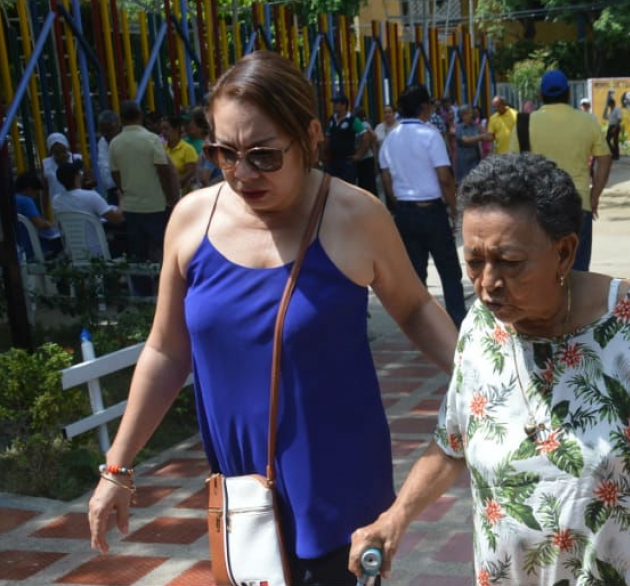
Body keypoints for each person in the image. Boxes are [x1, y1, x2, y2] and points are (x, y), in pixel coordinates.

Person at [86, 51, 459, 583]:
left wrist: (477, 376)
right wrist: (118, 469)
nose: (242, 174)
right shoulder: (192, 220)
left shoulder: (355, 216)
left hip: (340, 494)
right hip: (242, 494)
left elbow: (416, 307)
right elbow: (167, 350)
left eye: (263, 155)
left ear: (308, 136)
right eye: (224, 152)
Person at [350, 153, 630, 586]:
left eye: (509, 262)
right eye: (474, 261)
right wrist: (395, 517)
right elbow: (452, 445)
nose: (488, 283)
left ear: (565, 252)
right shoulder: (480, 328)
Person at [379, 83, 467, 328]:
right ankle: (457, 322)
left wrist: (398, 203)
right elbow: (445, 178)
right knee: (449, 269)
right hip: (432, 210)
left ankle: (421, 326)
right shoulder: (430, 135)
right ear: (424, 107)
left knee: (415, 273)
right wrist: (454, 209)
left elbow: (386, 178)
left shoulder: (390, 137)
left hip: (405, 212)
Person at [508, 69, 612, 272]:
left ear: (541, 95)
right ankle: (575, 304)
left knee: (541, 269)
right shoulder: (587, 121)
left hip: (539, 205)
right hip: (579, 202)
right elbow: (605, 160)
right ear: (568, 94)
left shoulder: (524, 123)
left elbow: (511, 164)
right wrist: (594, 195)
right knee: (578, 270)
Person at [109, 100, 177, 295]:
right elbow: (163, 169)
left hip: (131, 207)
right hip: (156, 205)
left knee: (137, 256)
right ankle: (168, 294)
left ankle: (142, 294)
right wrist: (171, 197)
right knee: (165, 253)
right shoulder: (151, 139)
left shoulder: (115, 143)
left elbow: (115, 174)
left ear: (121, 119)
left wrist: (127, 190)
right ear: (141, 116)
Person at [52, 161, 124, 257]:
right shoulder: (91, 196)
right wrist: (121, 200)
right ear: (78, 175)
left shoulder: (56, 200)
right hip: (97, 252)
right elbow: (117, 219)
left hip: (72, 253)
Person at [14, 169, 62, 260]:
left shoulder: (11, 199)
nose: (36, 196)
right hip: (32, 246)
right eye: (36, 192)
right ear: (29, 190)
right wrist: (50, 224)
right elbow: (40, 224)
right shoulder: (26, 201)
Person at [324, 92, 368, 184]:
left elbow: (365, 136)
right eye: (334, 103)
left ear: (344, 105)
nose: (334, 105)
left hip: (347, 161)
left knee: (347, 187)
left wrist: (359, 154)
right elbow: (327, 137)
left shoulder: (352, 120)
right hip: (333, 161)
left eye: (337, 103)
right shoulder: (332, 119)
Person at [160, 115, 199, 194]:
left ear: (177, 129)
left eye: (166, 129)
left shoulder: (187, 149)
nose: (163, 132)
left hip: (184, 192)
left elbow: (191, 172)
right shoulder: (162, 149)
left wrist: (176, 184)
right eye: (162, 130)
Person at [42, 132, 83, 200]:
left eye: (63, 151)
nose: (61, 155)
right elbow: (45, 190)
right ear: (51, 151)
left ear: (67, 147)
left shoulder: (78, 159)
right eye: (57, 152)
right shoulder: (46, 164)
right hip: (58, 204)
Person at [352, 107, 378, 196]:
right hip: (362, 158)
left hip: (366, 158)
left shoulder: (364, 125)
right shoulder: (359, 124)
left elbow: (374, 136)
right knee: (363, 184)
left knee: (369, 184)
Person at [96, 111, 121, 204]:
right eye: (103, 131)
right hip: (112, 192)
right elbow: (104, 168)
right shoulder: (102, 142)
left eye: (109, 130)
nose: (106, 134)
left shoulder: (125, 141)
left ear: (118, 127)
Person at [454, 105, 482, 182]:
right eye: (469, 113)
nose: (471, 115)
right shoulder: (459, 128)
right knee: (464, 183)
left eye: (471, 113)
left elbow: (487, 136)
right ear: (463, 116)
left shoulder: (475, 126)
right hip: (464, 162)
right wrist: (480, 137)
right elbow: (465, 140)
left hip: (475, 160)